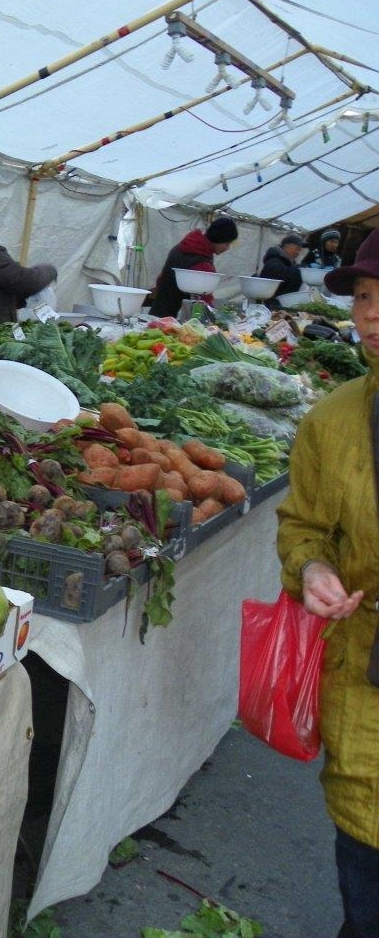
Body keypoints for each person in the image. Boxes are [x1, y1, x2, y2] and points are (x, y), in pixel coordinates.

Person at [276, 227, 379, 938]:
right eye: (365, 297)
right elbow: (303, 522)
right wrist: (312, 567)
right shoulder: (331, 418)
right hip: (366, 674)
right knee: (365, 858)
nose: (371, 313)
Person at [146, 217, 239, 318]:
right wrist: (215, 317)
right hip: (171, 318)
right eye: (226, 243)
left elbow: (161, 278)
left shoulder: (188, 246)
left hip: (159, 309)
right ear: (218, 238)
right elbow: (204, 300)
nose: (228, 248)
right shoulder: (200, 259)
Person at [259, 233, 306, 301]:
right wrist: (301, 269)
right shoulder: (273, 260)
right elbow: (282, 276)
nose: (298, 253)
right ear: (286, 246)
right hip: (269, 302)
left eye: (300, 250)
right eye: (297, 248)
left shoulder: (289, 263)